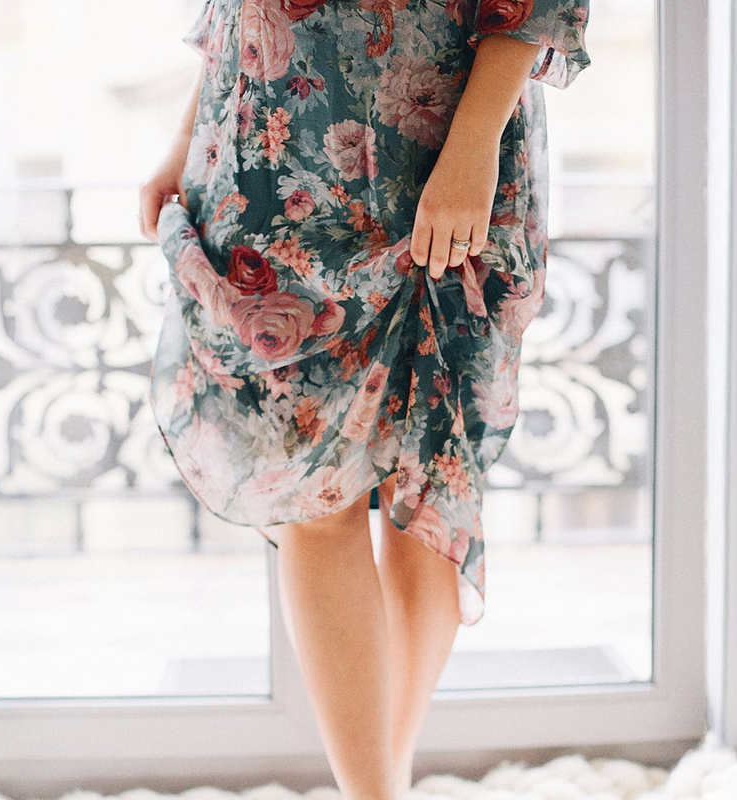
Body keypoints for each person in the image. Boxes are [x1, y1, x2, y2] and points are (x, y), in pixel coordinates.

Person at [138, 0, 590, 795]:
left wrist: (474, 142)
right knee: (313, 505)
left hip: (432, 147)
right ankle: (377, 790)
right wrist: (184, 136)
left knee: (427, 482)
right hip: (263, 159)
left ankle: (384, 784)